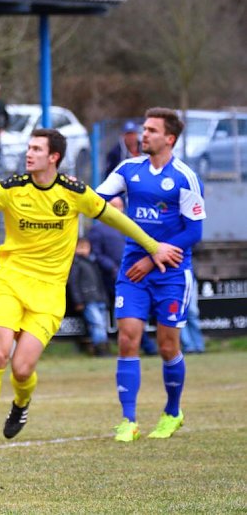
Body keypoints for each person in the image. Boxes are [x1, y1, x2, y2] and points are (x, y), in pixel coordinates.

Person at [0, 129, 182, 446]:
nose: (29, 154)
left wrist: (153, 247)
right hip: (10, 283)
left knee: (22, 369)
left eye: (37, 149)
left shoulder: (74, 192)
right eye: (29, 148)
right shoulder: (12, 188)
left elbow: (115, 218)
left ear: (53, 157)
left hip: (48, 295)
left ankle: (21, 403)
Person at [97, 107, 205, 442]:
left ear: (169, 138)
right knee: (128, 339)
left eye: (151, 130)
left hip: (172, 273)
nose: (144, 135)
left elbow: (194, 232)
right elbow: (98, 198)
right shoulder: (129, 170)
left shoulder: (185, 177)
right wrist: (92, 198)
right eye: (144, 129)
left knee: (167, 346)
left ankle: (173, 412)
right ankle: (128, 420)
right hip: (133, 268)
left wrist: (156, 253)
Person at [88, 197, 158, 356]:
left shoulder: (128, 227)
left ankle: (146, 345)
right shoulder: (98, 230)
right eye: (114, 206)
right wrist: (112, 268)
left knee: (138, 311)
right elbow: (97, 254)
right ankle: (145, 346)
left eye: (120, 206)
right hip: (111, 278)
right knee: (127, 313)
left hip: (134, 273)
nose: (118, 209)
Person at [68, 237, 111, 356]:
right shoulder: (76, 263)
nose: (83, 250)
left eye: (86, 247)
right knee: (97, 324)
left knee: (101, 324)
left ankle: (104, 347)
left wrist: (104, 298)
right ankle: (100, 349)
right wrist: (78, 301)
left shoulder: (93, 262)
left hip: (98, 298)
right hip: (88, 299)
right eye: (80, 247)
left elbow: (99, 282)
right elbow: (73, 283)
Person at [180, 276, 204, 353]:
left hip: (190, 280)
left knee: (192, 314)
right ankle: (189, 347)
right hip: (175, 283)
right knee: (180, 316)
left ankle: (198, 346)